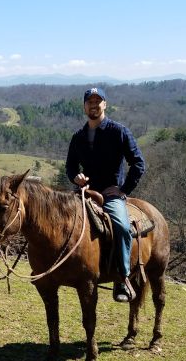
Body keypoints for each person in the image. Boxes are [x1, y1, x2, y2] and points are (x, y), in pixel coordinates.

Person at [65, 87, 146, 302]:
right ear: (84, 107)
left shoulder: (119, 132)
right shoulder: (78, 137)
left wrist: (123, 189)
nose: (94, 105)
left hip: (111, 194)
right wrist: (76, 177)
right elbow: (70, 166)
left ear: (105, 105)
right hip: (84, 193)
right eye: (89, 102)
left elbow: (138, 164)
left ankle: (122, 278)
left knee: (121, 227)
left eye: (97, 101)